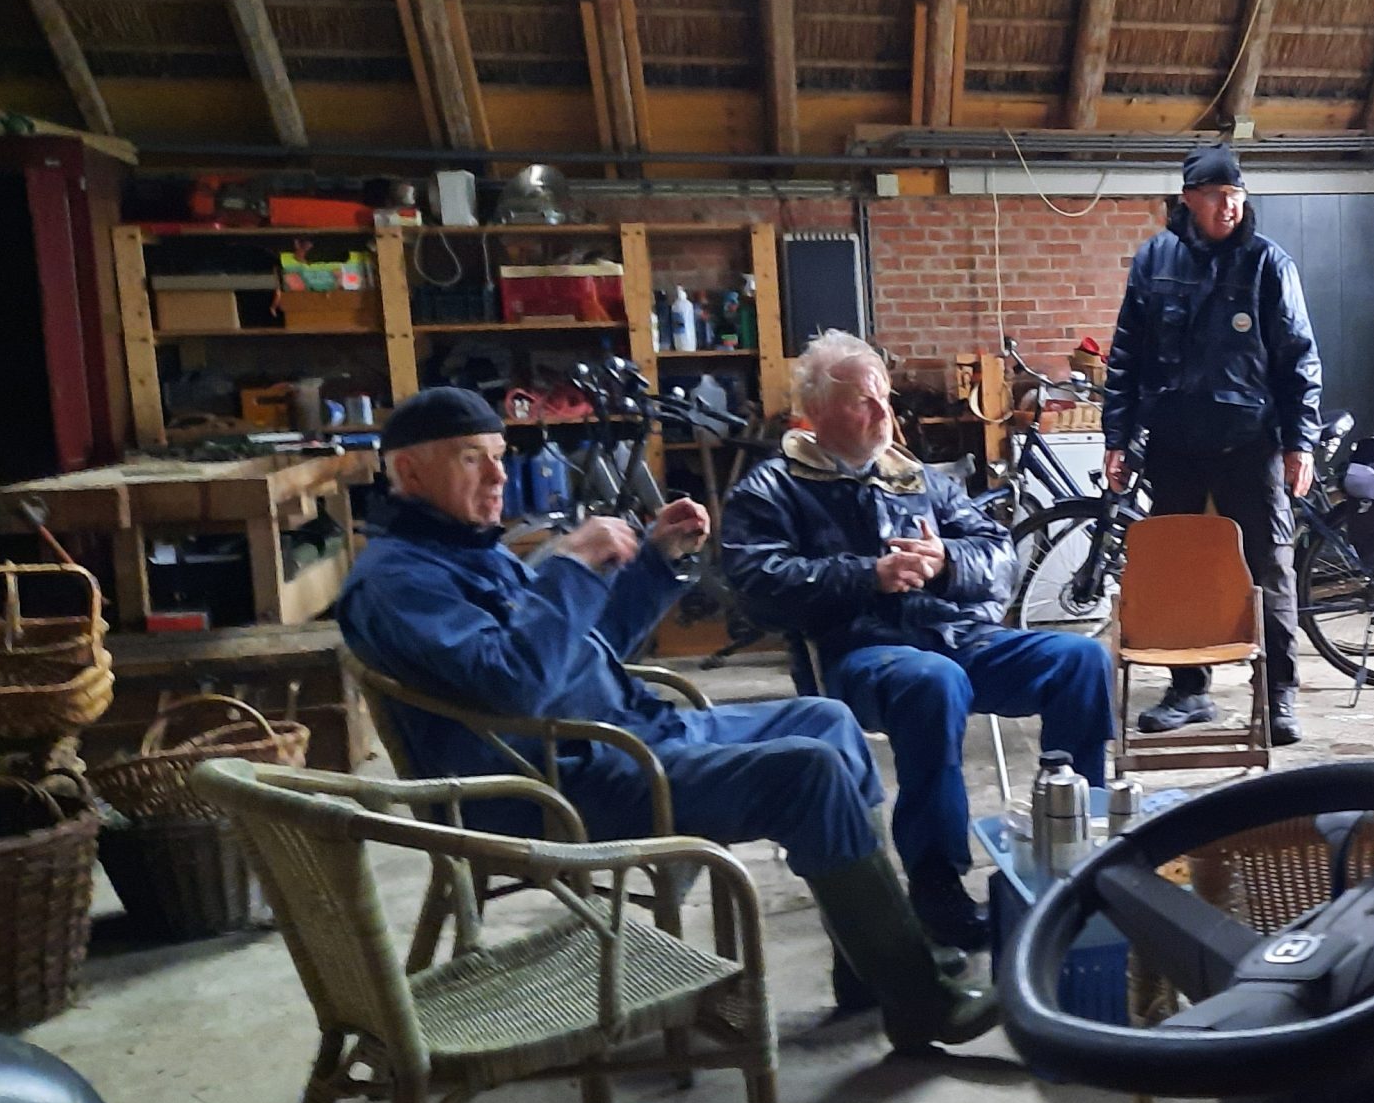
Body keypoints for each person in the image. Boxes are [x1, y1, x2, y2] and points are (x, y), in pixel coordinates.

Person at [338, 386, 994, 1050]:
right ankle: (916, 1000)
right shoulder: (398, 582)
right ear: (410, 473)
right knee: (810, 773)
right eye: (470, 459)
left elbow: (585, 649)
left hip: (624, 737)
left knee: (825, 720)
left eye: (499, 455)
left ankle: (872, 963)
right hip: (552, 784)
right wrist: (569, 567)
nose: (499, 475)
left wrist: (654, 562)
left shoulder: (468, 548)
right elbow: (516, 686)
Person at [720, 331, 1113, 953]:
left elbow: (999, 557)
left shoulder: (919, 478)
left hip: (957, 636)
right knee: (934, 681)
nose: (883, 414)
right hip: (858, 654)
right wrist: (866, 573)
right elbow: (754, 586)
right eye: (862, 403)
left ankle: (1072, 843)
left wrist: (945, 562)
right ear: (816, 413)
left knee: (1082, 659)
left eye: (884, 398)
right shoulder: (774, 487)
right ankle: (937, 883)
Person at [1102, 144, 1323, 747]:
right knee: (1180, 568)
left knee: (1268, 569)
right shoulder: (1154, 261)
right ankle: (1188, 689)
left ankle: (1279, 694)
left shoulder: (1267, 264)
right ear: (1188, 199)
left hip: (1250, 446)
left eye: (1235, 196)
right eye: (1215, 196)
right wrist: (1116, 436)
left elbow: (1299, 360)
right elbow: (1125, 356)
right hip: (1173, 445)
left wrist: (1300, 442)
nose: (1227, 207)